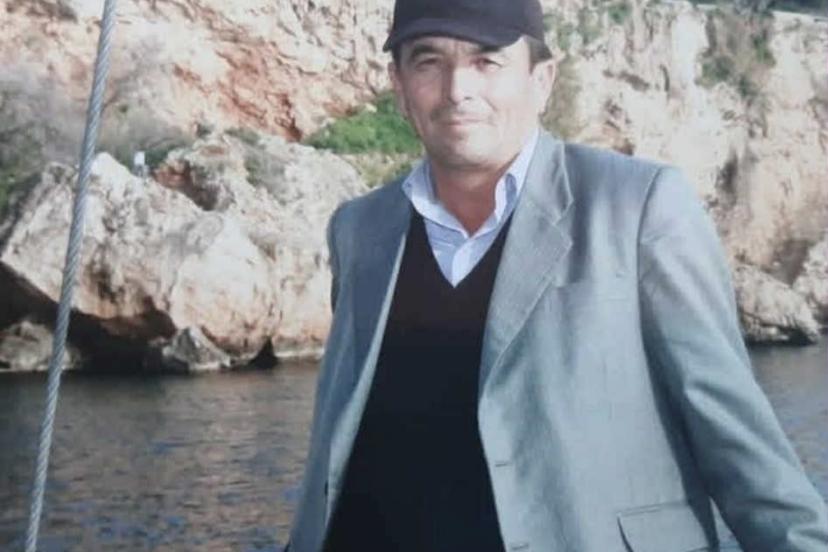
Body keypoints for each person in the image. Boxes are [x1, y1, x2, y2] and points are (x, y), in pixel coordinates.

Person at [286, 0, 828, 550]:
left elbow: (742, 447)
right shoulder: (359, 229)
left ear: (542, 80)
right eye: (429, 62)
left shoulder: (638, 207)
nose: (457, 90)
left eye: (487, 61)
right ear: (399, 86)